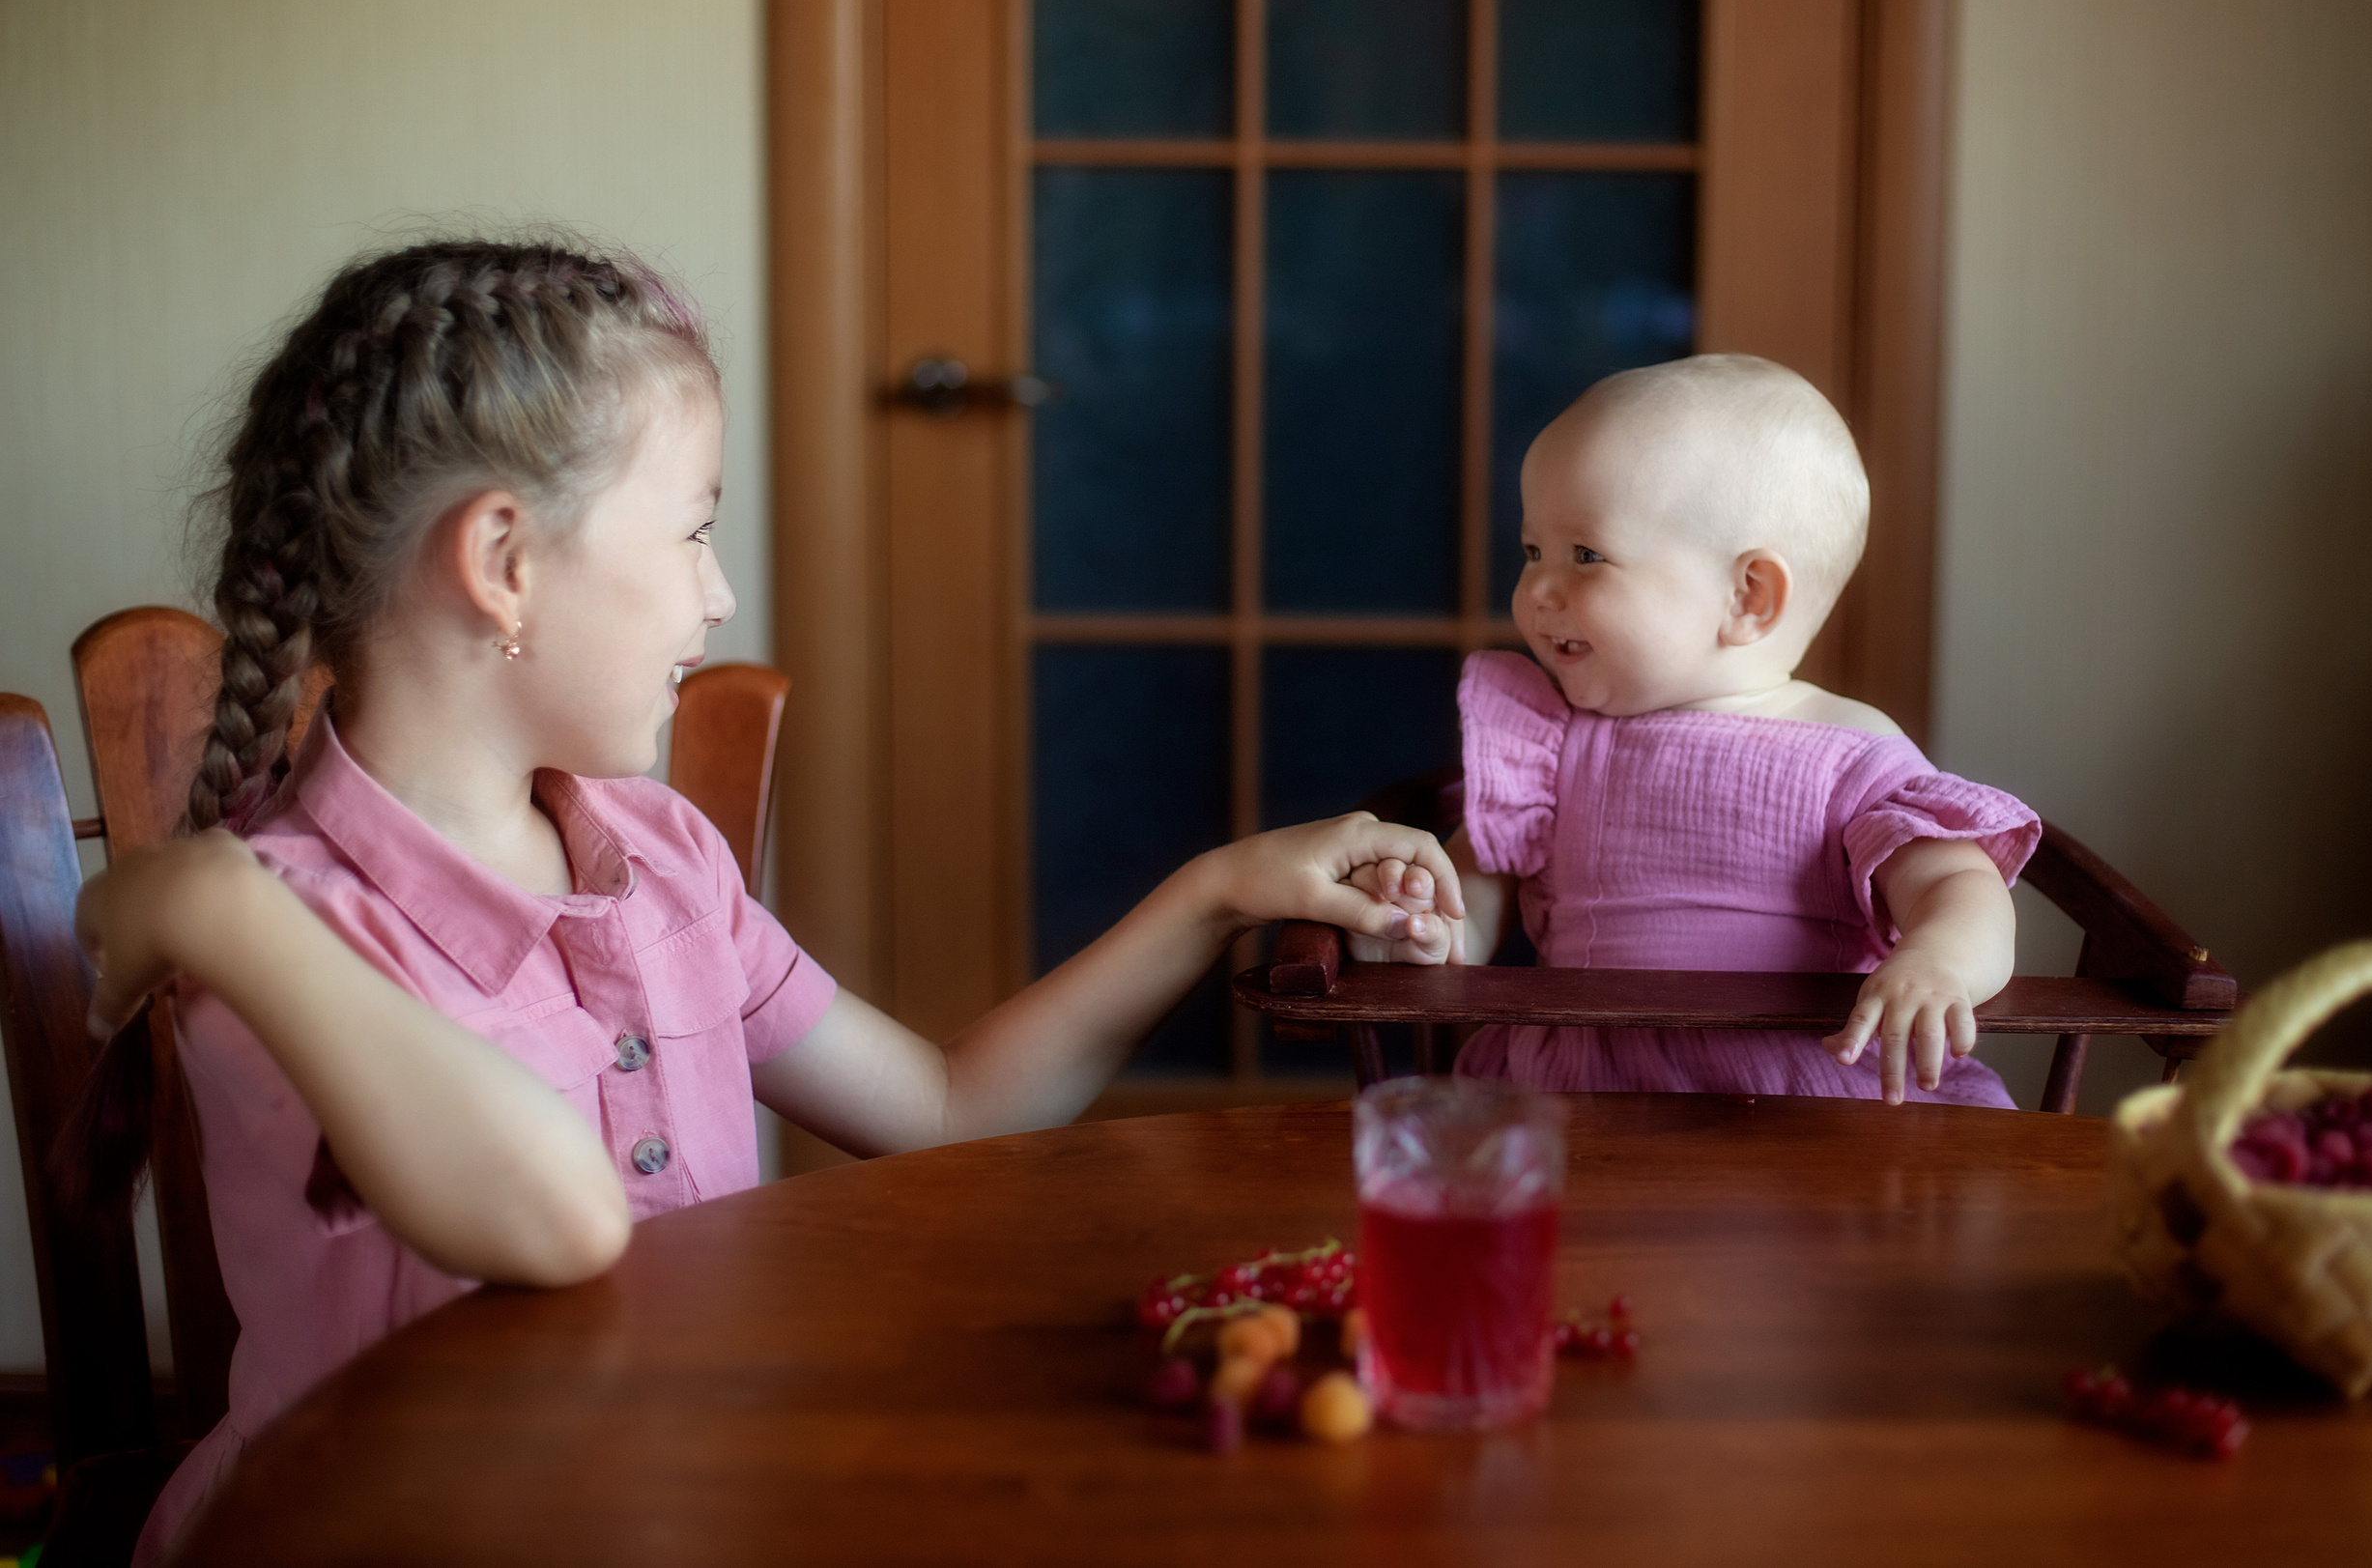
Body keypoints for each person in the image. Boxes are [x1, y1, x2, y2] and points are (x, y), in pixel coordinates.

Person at [71, 239, 1462, 1562]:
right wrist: (217, 910)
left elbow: (945, 1109)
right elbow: (554, 1221)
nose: (721, 593)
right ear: (502, 561)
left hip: (680, 1503)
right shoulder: (283, 932)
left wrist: (1217, 889)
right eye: (691, 531)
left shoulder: (660, 854)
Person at [1346, 355, 2039, 1107]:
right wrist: (1426, 931)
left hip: (1804, 1100)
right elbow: (1472, 899)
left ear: (1748, 595)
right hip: (1580, 1094)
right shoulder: (1547, 746)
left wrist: (1937, 960)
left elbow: (1957, 883)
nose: (1539, 588)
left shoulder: (1849, 756)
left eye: (1586, 556)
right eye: (1532, 551)